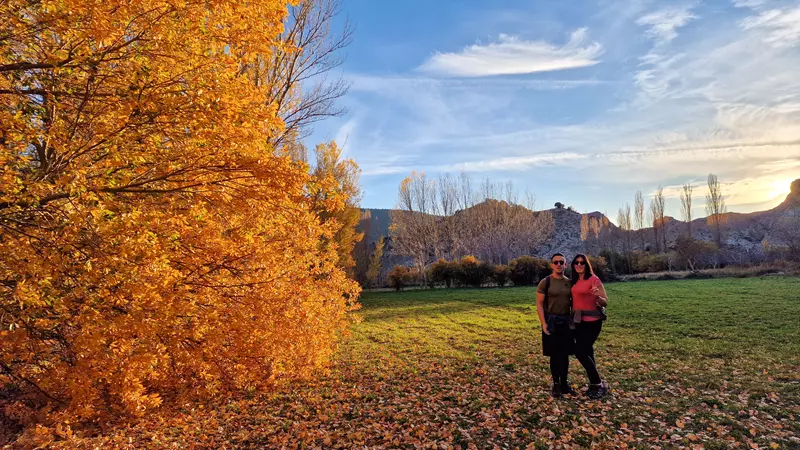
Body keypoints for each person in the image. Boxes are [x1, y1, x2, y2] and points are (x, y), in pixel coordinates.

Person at [570, 253, 609, 399]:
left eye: (582, 263)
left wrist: (597, 297)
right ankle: (595, 385)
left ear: (587, 265)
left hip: (592, 322)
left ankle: (598, 384)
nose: (579, 265)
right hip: (578, 321)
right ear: (574, 265)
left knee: (580, 352)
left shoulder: (594, 279)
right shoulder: (574, 280)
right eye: (576, 263)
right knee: (587, 351)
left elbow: (605, 302)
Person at [536, 253, 575, 398]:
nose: (558, 264)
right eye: (555, 262)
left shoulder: (569, 282)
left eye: (561, 262)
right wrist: (543, 323)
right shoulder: (545, 282)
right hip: (551, 321)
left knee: (564, 355)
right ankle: (556, 384)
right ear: (552, 265)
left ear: (566, 264)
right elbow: (539, 304)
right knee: (554, 354)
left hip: (565, 321)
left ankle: (565, 383)